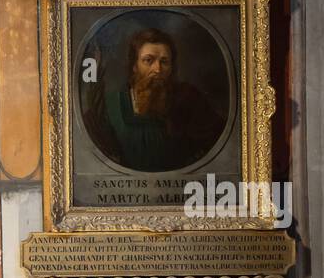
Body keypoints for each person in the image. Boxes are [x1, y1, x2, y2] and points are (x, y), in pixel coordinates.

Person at [82, 27, 224, 172]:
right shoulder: (110, 105)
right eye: (148, 60)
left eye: (164, 62)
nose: (157, 69)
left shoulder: (188, 98)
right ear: (134, 66)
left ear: (171, 67)